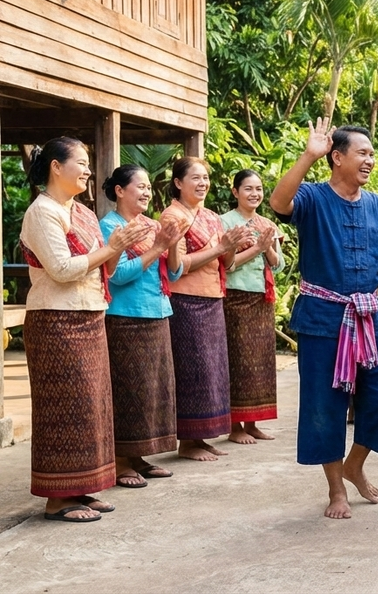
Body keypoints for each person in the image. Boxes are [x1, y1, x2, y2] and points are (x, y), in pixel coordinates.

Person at [269, 119, 378, 520]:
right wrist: (307, 155)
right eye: (362, 153)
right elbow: (278, 204)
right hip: (322, 319)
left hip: (369, 317)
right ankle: (335, 490)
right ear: (337, 157)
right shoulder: (311, 197)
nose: (370, 160)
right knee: (323, 406)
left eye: (371, 154)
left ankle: (355, 465)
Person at [20, 138, 149, 522]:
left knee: (91, 407)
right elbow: (61, 270)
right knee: (63, 409)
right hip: (55, 319)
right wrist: (112, 248)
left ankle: (84, 487)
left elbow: (106, 269)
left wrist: (119, 248)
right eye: (82, 162)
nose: (89, 170)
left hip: (91, 313)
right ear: (56, 167)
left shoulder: (86, 214)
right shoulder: (42, 212)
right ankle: (57, 498)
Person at [160, 158, 253, 461]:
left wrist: (232, 247)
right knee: (192, 370)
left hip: (213, 296)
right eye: (195, 178)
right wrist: (219, 248)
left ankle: (201, 438)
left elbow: (226, 263)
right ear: (178, 183)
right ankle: (188, 441)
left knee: (212, 371)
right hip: (185, 300)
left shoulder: (211, 216)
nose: (202, 184)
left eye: (206, 178)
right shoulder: (172, 216)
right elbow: (178, 267)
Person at [100, 165, 186, 489]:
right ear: (120, 191)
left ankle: (138, 456)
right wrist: (158, 247)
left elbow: (174, 274)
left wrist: (173, 241)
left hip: (158, 313)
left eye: (150, 187)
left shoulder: (153, 225)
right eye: (140, 186)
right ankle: (121, 460)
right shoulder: (110, 225)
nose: (148, 192)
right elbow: (116, 274)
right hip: (125, 318)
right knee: (128, 390)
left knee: (152, 391)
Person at [221, 169, 284, 445]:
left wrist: (267, 246)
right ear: (235, 192)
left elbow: (277, 265)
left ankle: (253, 422)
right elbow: (228, 264)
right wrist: (257, 248)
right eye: (248, 188)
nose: (254, 194)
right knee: (238, 360)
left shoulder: (266, 222)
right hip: (234, 297)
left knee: (259, 362)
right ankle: (235, 426)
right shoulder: (224, 222)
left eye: (258, 189)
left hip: (261, 299)